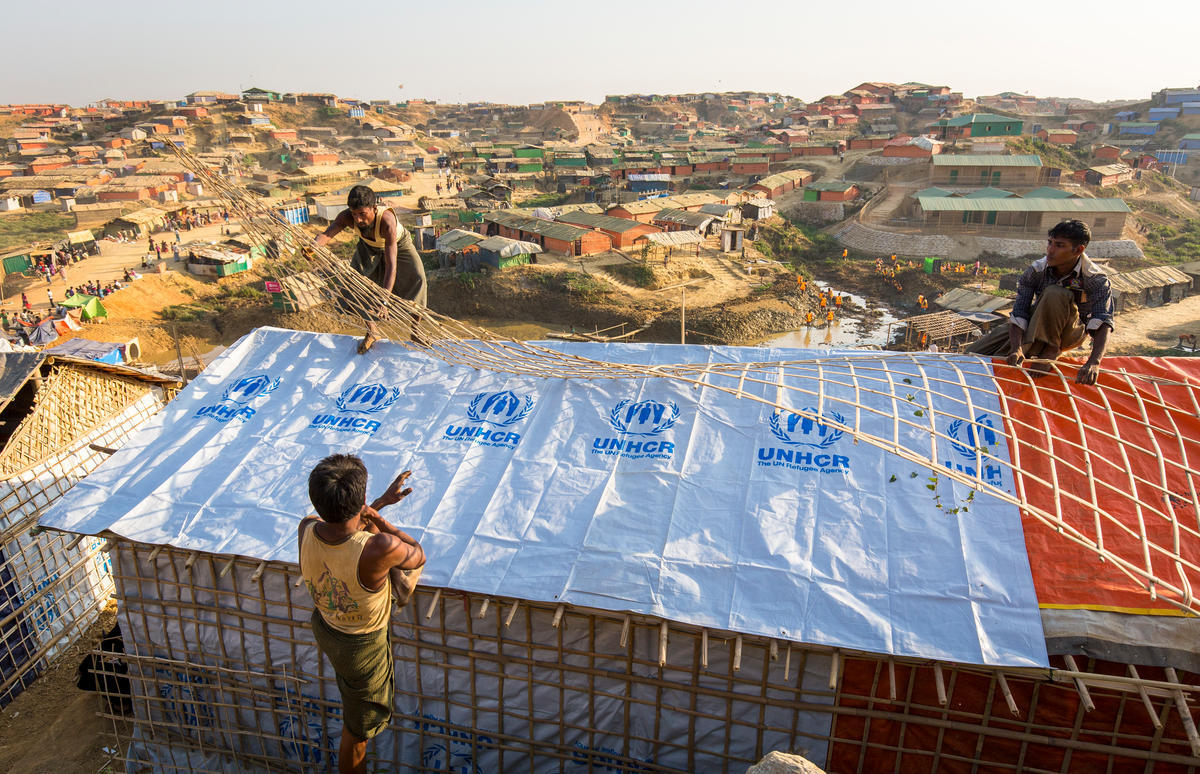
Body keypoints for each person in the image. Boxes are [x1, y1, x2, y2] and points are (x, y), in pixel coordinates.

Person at [298, 455, 425, 774]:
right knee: (357, 731)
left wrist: (379, 503)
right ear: (362, 497)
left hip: (327, 626)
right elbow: (417, 554)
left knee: (354, 706)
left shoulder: (306, 528)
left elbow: (344, 538)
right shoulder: (379, 547)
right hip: (361, 648)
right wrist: (378, 517)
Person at [966, 220, 1112, 385]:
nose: (1050, 250)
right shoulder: (1037, 270)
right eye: (1050, 243)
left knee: (1054, 293)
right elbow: (1020, 311)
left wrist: (1094, 362)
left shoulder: (1095, 278)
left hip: (1071, 332)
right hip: (1037, 323)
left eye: (1059, 245)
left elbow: (1103, 322)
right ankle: (1029, 346)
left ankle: (1051, 349)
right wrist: (1016, 348)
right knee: (972, 353)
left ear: (1078, 250)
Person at [315, 185, 427, 353]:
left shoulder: (387, 222)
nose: (358, 220)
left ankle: (415, 331)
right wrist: (314, 246)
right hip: (368, 246)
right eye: (354, 214)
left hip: (399, 245)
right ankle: (372, 330)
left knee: (418, 278)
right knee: (354, 283)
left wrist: (384, 300)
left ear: (374, 208)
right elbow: (327, 234)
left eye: (362, 214)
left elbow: (391, 265)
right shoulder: (346, 217)